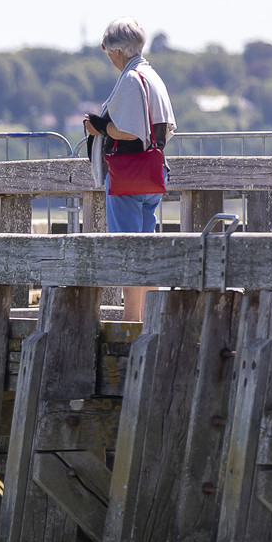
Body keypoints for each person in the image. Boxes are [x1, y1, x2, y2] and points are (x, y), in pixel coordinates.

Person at [83, 16, 176, 322]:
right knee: (146, 250)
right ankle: (148, 319)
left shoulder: (131, 78)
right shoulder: (153, 76)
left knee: (127, 251)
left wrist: (99, 127)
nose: (107, 55)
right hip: (152, 173)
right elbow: (164, 129)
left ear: (116, 50)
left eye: (106, 49)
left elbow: (131, 131)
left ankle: (131, 319)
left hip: (128, 176)